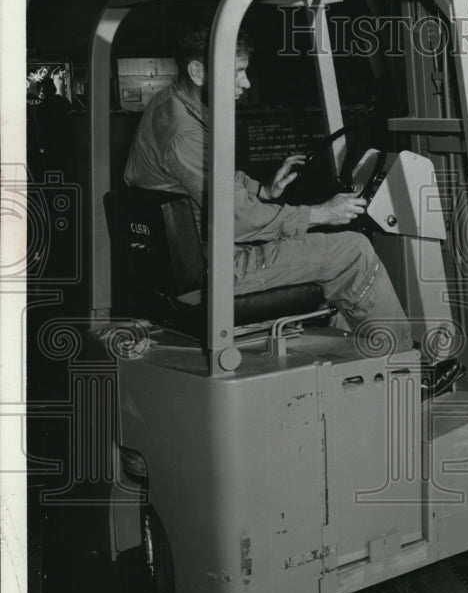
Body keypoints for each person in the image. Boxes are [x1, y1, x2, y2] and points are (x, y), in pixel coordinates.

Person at [124, 21, 414, 356]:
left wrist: (264, 190)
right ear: (198, 71)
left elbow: (217, 180)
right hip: (215, 268)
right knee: (355, 252)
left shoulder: (171, 107)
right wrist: (323, 212)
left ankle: (352, 356)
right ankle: (404, 365)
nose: (245, 83)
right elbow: (238, 219)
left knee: (324, 249)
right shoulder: (185, 135)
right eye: (237, 72)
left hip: (191, 258)